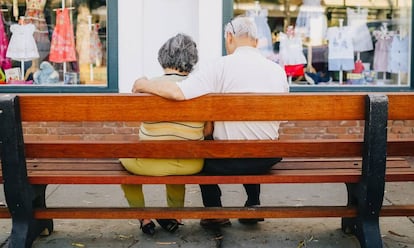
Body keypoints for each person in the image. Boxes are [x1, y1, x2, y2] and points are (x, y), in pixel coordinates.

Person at [132, 16, 289, 227]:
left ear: (230, 36)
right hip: (267, 158)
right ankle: (253, 202)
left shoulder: (220, 66)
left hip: (227, 160)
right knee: (255, 137)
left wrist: (143, 84)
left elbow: (178, 93)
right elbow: (282, 120)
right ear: (256, 41)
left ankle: (215, 211)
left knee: (204, 148)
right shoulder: (278, 71)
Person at [120, 33, 205, 236]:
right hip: (190, 164)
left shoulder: (147, 86)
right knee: (177, 151)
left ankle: (143, 217)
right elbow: (208, 130)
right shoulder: (201, 87)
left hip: (149, 163)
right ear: (193, 60)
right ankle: (175, 215)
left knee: (123, 160)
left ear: (163, 57)